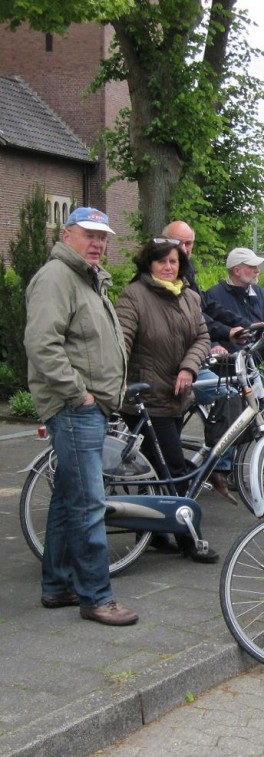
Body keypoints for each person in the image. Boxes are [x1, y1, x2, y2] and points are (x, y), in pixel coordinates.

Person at [24, 207, 138, 626]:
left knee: (67, 500)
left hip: (87, 408)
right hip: (74, 410)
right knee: (90, 504)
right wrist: (80, 395)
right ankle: (96, 596)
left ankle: (57, 586)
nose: (98, 243)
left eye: (103, 237)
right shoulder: (57, 278)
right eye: (89, 234)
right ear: (67, 234)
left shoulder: (87, 279)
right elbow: (42, 344)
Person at [116, 237, 217, 561]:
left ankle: (156, 533)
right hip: (146, 398)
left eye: (173, 261)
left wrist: (189, 367)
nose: (168, 266)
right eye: (161, 261)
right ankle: (191, 540)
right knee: (174, 467)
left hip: (176, 397)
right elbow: (121, 341)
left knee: (158, 470)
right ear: (149, 264)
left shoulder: (188, 296)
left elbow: (202, 336)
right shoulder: (135, 296)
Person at [163, 221, 251, 503]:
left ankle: (216, 463)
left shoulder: (186, 273)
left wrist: (244, 325)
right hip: (169, 370)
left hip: (189, 363)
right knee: (225, 391)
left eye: (190, 244)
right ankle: (215, 465)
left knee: (230, 390)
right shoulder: (159, 281)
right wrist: (226, 333)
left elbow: (206, 309)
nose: (185, 249)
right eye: (180, 243)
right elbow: (198, 321)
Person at [204, 247, 264, 356]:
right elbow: (204, 326)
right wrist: (215, 346)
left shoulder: (260, 293)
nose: (258, 270)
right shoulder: (214, 294)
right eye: (252, 266)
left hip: (255, 366)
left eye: (257, 266)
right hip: (226, 366)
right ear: (237, 271)